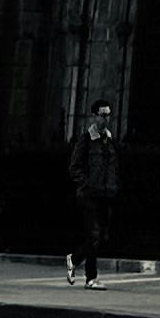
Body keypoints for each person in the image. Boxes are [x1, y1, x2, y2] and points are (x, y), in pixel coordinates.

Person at [68, 97, 120, 289]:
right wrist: (87, 184)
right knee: (94, 236)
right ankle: (91, 278)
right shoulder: (86, 140)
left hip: (106, 195)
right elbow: (74, 167)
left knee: (99, 237)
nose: (106, 119)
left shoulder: (109, 140)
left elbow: (113, 167)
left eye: (108, 115)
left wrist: (114, 185)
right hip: (89, 196)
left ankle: (74, 260)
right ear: (94, 117)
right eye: (102, 115)